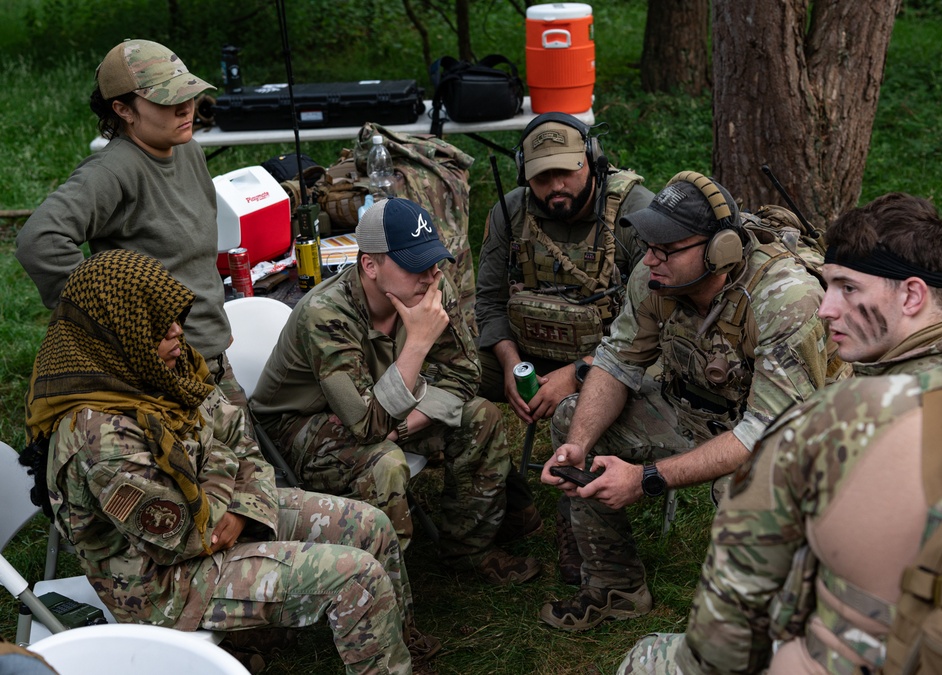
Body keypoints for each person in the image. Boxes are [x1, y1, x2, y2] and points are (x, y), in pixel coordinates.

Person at [19, 249, 437, 675]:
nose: (178, 334)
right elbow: (190, 536)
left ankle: (399, 651)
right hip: (163, 585)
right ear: (122, 336)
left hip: (224, 519)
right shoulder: (99, 439)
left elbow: (244, 440)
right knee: (355, 578)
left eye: (175, 320)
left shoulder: (160, 370)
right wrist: (224, 466)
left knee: (372, 527)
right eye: (161, 328)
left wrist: (239, 507)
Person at [539, 171, 843, 631]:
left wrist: (647, 479)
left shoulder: (786, 299)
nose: (650, 259)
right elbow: (616, 362)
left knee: (744, 492)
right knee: (571, 420)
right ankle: (615, 587)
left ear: (720, 252)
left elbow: (763, 432)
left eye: (667, 248)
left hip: (785, 439)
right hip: (694, 409)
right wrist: (580, 444)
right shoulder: (655, 276)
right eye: (649, 245)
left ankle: (768, 626)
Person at [616, 341, 942, 675]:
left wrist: (648, 476)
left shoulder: (847, 418)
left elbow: (726, 636)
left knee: (644, 661)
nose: (828, 307)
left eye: (847, 287)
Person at [251, 197, 540, 584]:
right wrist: (418, 343)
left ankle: (469, 551)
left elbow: (465, 373)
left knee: (481, 416)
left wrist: (405, 427)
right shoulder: (326, 314)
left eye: (433, 260)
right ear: (370, 265)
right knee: (384, 462)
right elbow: (366, 428)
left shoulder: (430, 285)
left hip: (384, 407)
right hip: (298, 425)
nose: (431, 274)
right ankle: (384, 598)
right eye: (414, 264)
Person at [475, 111, 654, 581]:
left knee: (572, 408)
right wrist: (513, 368)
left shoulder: (635, 213)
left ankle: (577, 519)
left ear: (592, 161)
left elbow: (659, 329)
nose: (556, 184)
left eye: (566, 170)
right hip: (529, 352)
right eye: (541, 175)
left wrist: (576, 374)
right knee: (449, 374)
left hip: (613, 362)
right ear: (524, 175)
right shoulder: (509, 212)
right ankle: (500, 503)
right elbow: (489, 305)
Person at [15, 38, 243, 405]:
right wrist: (115, 325)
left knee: (252, 459)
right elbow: (39, 240)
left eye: (189, 94)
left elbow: (193, 258)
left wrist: (215, 329)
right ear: (123, 109)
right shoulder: (113, 171)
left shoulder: (188, 149)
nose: (186, 108)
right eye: (166, 100)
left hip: (211, 355)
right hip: (162, 371)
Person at [819, 191, 942, 373]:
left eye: (849, 288)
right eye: (828, 287)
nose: (825, 311)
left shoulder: (920, 396)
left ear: (911, 297)